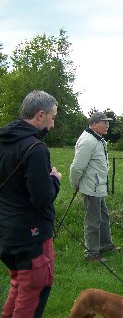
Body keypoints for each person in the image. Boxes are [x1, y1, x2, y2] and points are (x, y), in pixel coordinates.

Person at [0, 90, 61, 317]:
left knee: (18, 287)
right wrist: (54, 180)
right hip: (31, 236)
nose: (52, 124)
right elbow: (42, 198)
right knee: (33, 293)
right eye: (52, 118)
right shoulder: (35, 149)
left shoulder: (4, 141)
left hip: (6, 233)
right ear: (40, 114)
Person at [70, 112, 120, 262]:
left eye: (107, 122)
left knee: (103, 216)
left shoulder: (97, 139)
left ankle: (105, 245)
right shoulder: (88, 141)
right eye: (103, 122)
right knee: (93, 221)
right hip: (91, 187)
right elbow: (76, 167)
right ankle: (91, 254)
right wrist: (75, 184)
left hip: (98, 186)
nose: (107, 125)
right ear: (93, 124)